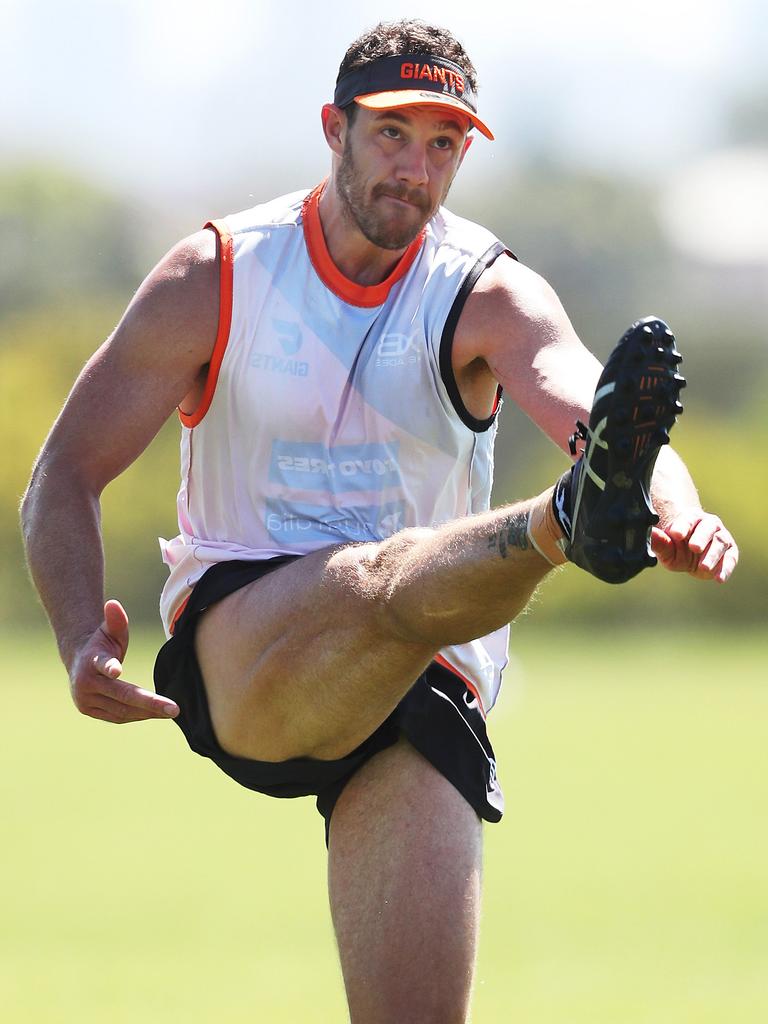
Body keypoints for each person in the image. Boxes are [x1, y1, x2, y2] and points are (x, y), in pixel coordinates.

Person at [21, 18, 738, 1024]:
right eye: (394, 134)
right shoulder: (217, 274)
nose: (417, 166)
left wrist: (680, 508)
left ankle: (579, 513)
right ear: (335, 128)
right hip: (247, 650)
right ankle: (564, 522)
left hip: (418, 682)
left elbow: (598, 402)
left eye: (444, 144)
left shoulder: (486, 288)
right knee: (375, 578)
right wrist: (72, 643)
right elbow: (64, 473)